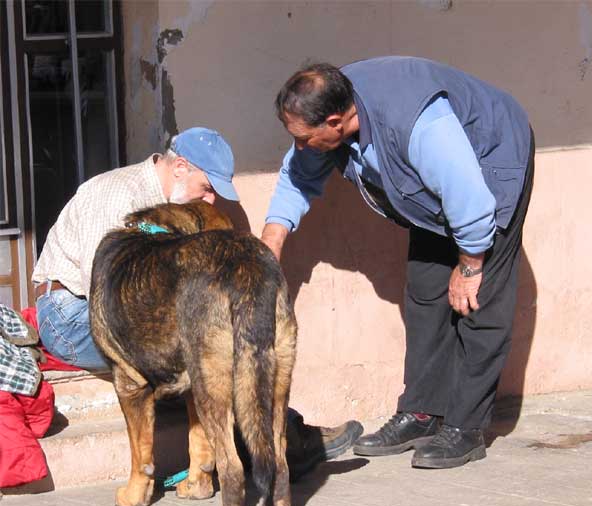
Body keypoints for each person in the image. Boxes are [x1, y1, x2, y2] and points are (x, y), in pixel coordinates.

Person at [32, 126, 363, 479]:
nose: (210, 202)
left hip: (122, 313)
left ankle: (269, 442)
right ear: (179, 168)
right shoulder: (116, 195)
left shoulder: (172, 208)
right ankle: (283, 442)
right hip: (71, 316)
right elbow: (105, 296)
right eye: (206, 189)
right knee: (211, 348)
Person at [261, 57, 535, 469]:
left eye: (304, 138)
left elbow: (469, 198)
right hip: (429, 194)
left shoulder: (418, 123)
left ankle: (465, 427)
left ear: (336, 122)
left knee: (478, 304)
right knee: (426, 294)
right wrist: (271, 240)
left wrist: (470, 264)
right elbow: (297, 176)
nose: (300, 146)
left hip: (488, 170)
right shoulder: (329, 109)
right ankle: (422, 412)